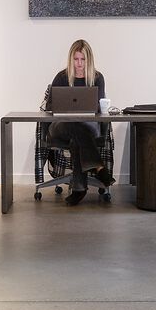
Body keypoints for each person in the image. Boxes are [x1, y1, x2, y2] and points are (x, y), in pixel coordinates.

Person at [48, 38, 111, 205]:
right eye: (76, 59)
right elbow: (49, 106)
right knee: (74, 125)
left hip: (88, 126)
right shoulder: (62, 77)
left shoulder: (97, 78)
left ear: (88, 60)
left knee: (78, 134)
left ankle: (79, 188)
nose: (79, 63)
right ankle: (98, 168)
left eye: (83, 59)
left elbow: (98, 107)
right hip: (61, 127)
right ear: (71, 59)